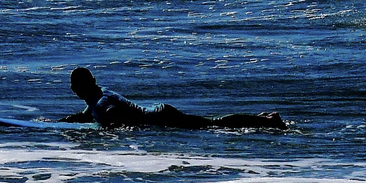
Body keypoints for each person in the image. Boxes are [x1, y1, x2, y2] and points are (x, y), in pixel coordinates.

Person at [62, 67, 286, 130]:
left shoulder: (102, 103)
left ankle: (267, 121)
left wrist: (109, 132)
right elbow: (83, 116)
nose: (73, 90)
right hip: (159, 112)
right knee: (211, 123)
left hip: (161, 117)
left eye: (75, 86)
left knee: (212, 124)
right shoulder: (98, 97)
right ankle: (263, 119)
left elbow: (113, 116)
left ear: (84, 86)